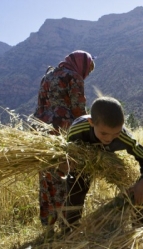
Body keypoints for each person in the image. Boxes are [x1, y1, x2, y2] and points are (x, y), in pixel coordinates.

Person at [64, 96, 143, 228]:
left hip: (109, 159)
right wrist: (70, 162)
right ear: (91, 122)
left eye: (115, 133)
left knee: (133, 186)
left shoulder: (123, 137)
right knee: (75, 187)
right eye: (104, 133)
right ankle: (70, 231)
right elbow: (68, 149)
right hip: (84, 159)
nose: (110, 138)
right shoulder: (78, 129)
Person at [33, 50, 95, 228]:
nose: (86, 75)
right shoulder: (74, 76)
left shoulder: (48, 75)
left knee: (47, 178)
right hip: (64, 133)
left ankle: (48, 225)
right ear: (81, 64)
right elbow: (78, 111)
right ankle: (67, 224)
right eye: (88, 71)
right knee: (65, 177)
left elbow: (40, 106)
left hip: (43, 133)